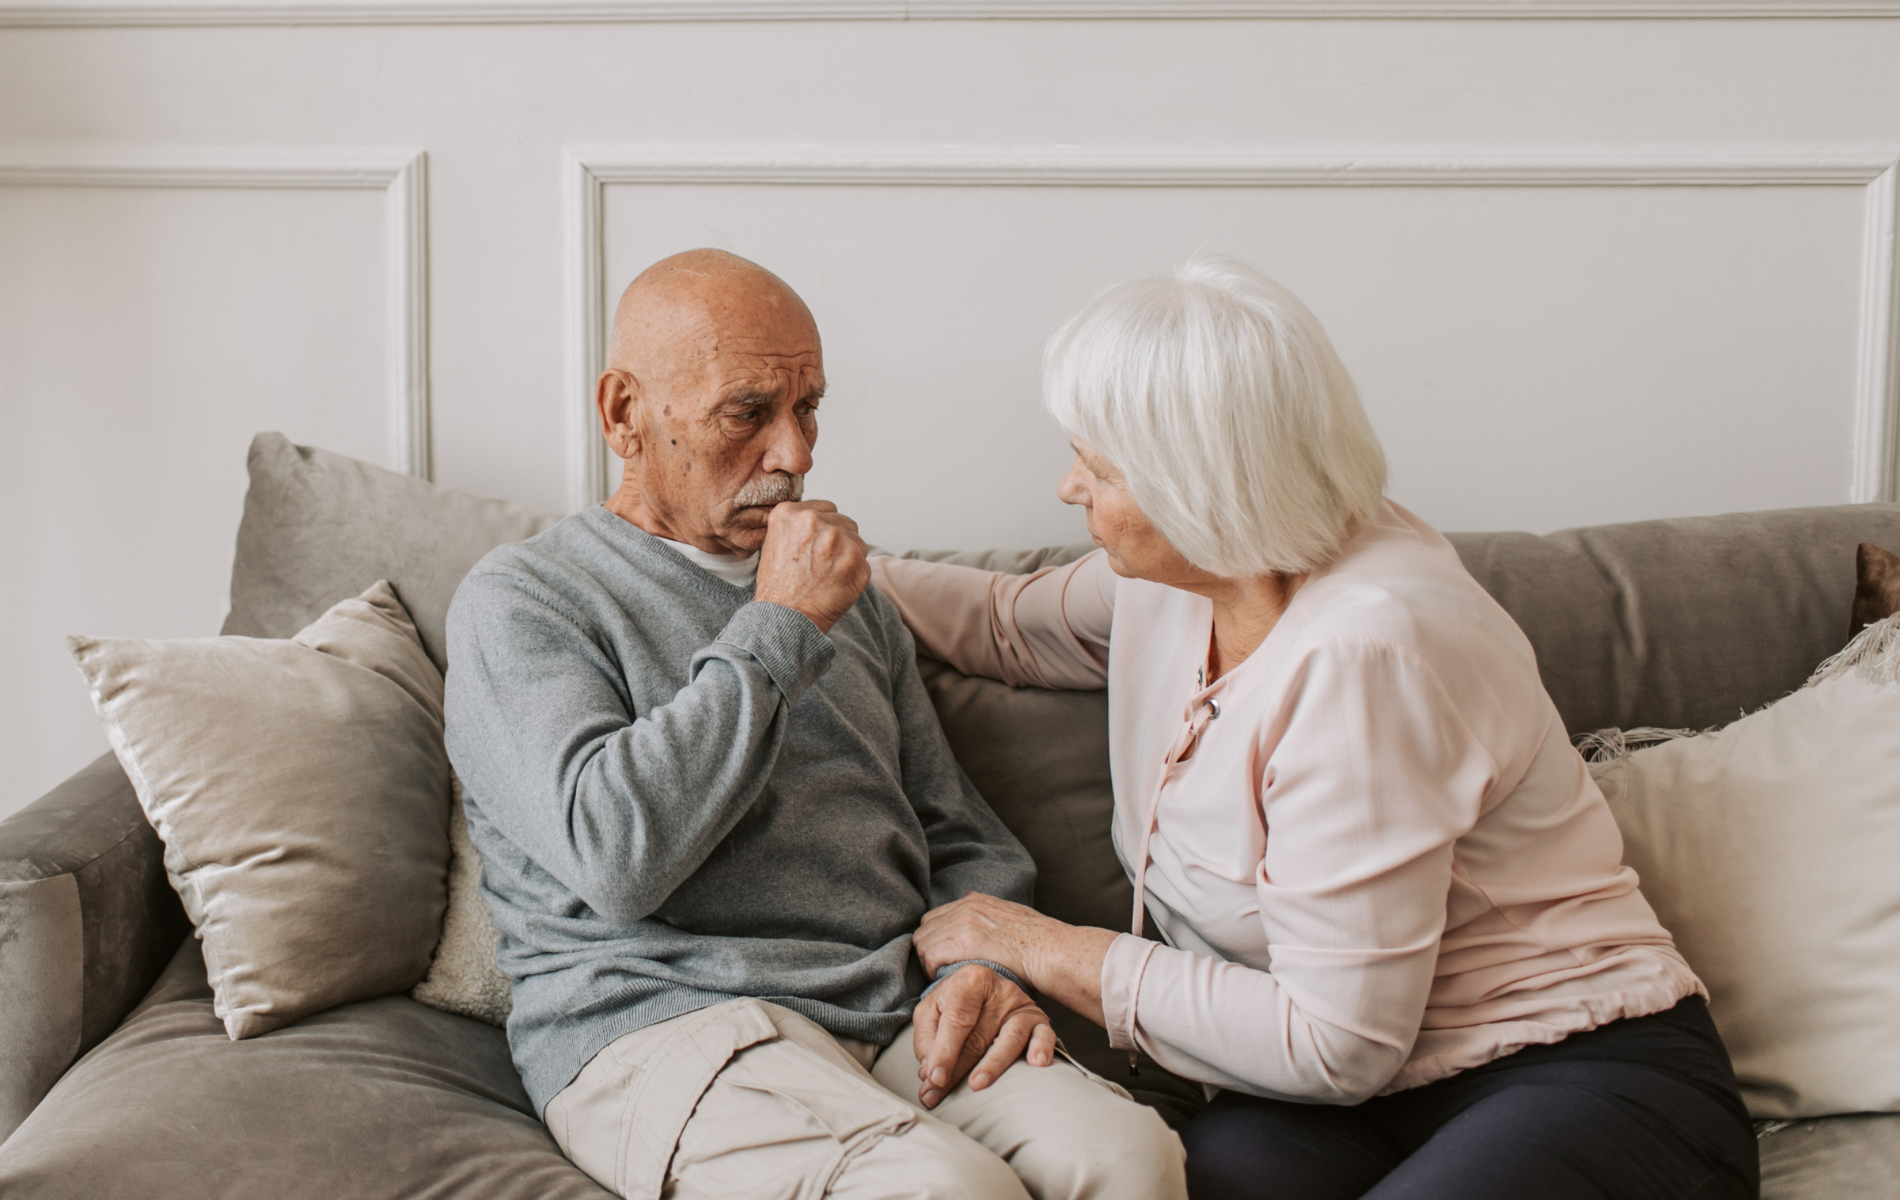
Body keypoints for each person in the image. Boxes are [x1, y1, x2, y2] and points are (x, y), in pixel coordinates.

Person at [870, 256, 1760, 1199]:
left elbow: (1335, 1044)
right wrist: (810, 566)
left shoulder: (1364, 653)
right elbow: (1008, 626)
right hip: (1327, 1105)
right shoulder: (1189, 578)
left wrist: (1039, 943)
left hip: (1564, 1065)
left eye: (1097, 465)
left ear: (1195, 483)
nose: (1067, 487)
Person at [442, 248, 1185, 1200]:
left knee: (1132, 1157)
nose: (795, 455)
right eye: (748, 412)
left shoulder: (850, 595)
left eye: (809, 409)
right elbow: (616, 854)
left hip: (890, 1003)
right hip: (669, 1023)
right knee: (942, 1191)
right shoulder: (527, 599)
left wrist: (985, 963)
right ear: (624, 413)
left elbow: (955, 829)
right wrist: (783, 626)